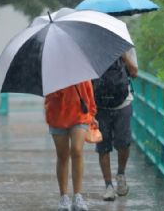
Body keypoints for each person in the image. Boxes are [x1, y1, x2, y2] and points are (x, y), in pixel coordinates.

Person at [44, 80, 97, 211]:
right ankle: (64, 197)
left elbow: (88, 90)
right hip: (57, 115)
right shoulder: (52, 73)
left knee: (77, 150)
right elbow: (49, 96)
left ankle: (78, 196)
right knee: (62, 156)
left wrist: (92, 113)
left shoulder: (79, 68)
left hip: (80, 114)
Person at [94, 48, 138, 201]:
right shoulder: (92, 48)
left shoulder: (126, 46)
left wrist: (123, 54)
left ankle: (121, 174)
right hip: (100, 105)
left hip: (123, 103)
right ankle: (108, 186)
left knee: (123, 143)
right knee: (103, 146)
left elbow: (134, 72)